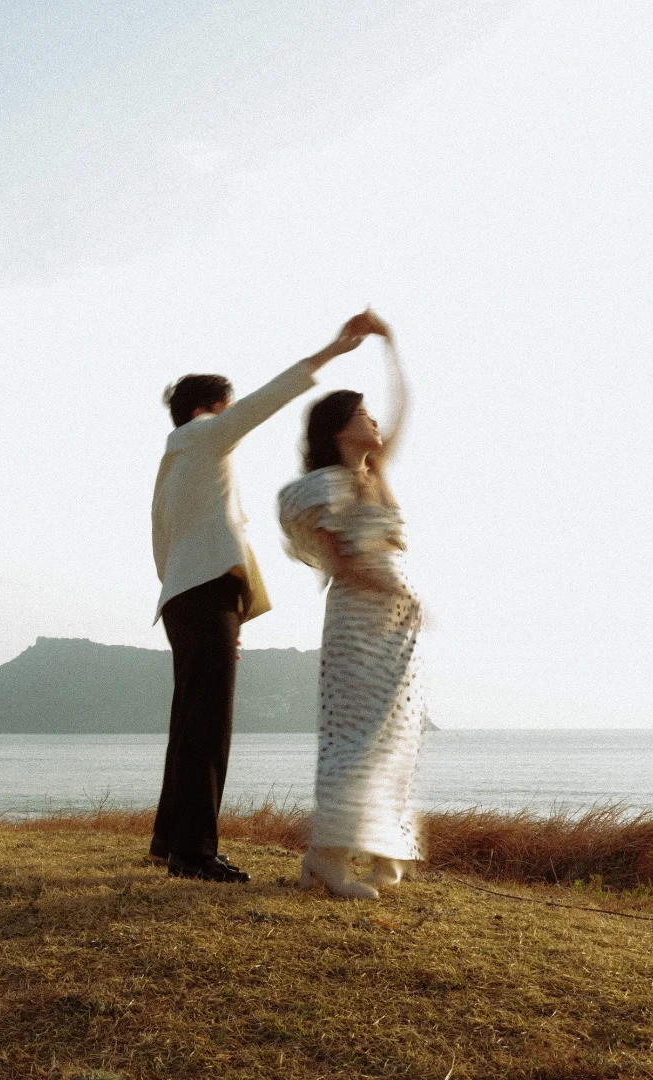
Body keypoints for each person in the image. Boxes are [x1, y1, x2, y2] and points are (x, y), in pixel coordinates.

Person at [150, 312, 389, 882]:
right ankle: (194, 854)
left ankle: (170, 842)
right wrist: (334, 350)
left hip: (187, 594)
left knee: (190, 723)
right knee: (207, 726)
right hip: (204, 594)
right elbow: (270, 398)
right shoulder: (202, 436)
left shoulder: (176, 463)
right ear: (208, 408)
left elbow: (168, 543)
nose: (234, 416)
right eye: (227, 407)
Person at [276, 321, 425, 899]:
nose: (376, 422)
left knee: (394, 733)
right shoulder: (325, 486)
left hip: (397, 626)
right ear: (340, 428)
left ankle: (377, 846)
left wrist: (392, 344)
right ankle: (326, 857)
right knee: (354, 736)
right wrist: (394, 593)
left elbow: (404, 406)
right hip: (361, 620)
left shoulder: (375, 475)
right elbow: (341, 564)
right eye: (364, 415)